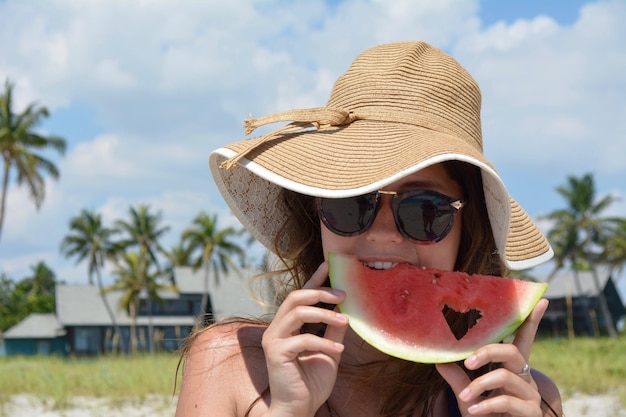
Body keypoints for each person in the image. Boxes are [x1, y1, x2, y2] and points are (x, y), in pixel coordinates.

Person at [175, 41, 563, 417]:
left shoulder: (526, 400)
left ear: (469, 227)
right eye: (351, 204)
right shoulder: (229, 365)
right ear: (317, 215)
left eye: (425, 211)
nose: (383, 234)